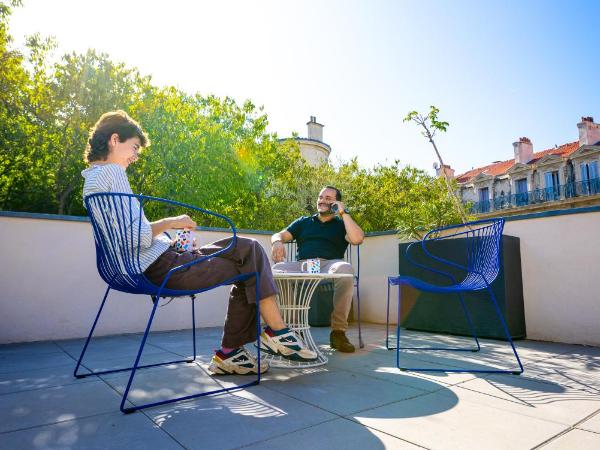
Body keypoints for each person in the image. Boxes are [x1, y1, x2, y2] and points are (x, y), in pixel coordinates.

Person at [81, 110, 316, 375]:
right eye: (133, 148)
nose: (135, 156)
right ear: (114, 139)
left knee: (247, 251)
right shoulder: (112, 175)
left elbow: (129, 236)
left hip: (157, 263)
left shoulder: (93, 179)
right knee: (249, 261)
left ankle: (241, 349)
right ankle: (270, 336)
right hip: (162, 269)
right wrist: (172, 221)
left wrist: (169, 239)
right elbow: (135, 236)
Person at [271, 186, 364, 352]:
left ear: (337, 203)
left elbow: (357, 239)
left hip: (329, 265)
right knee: (276, 270)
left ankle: (338, 332)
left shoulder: (342, 224)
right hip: (303, 265)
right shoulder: (304, 222)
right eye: (320, 197)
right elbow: (279, 235)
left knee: (346, 269)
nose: (322, 200)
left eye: (328, 198)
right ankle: (294, 329)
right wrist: (277, 242)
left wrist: (344, 213)